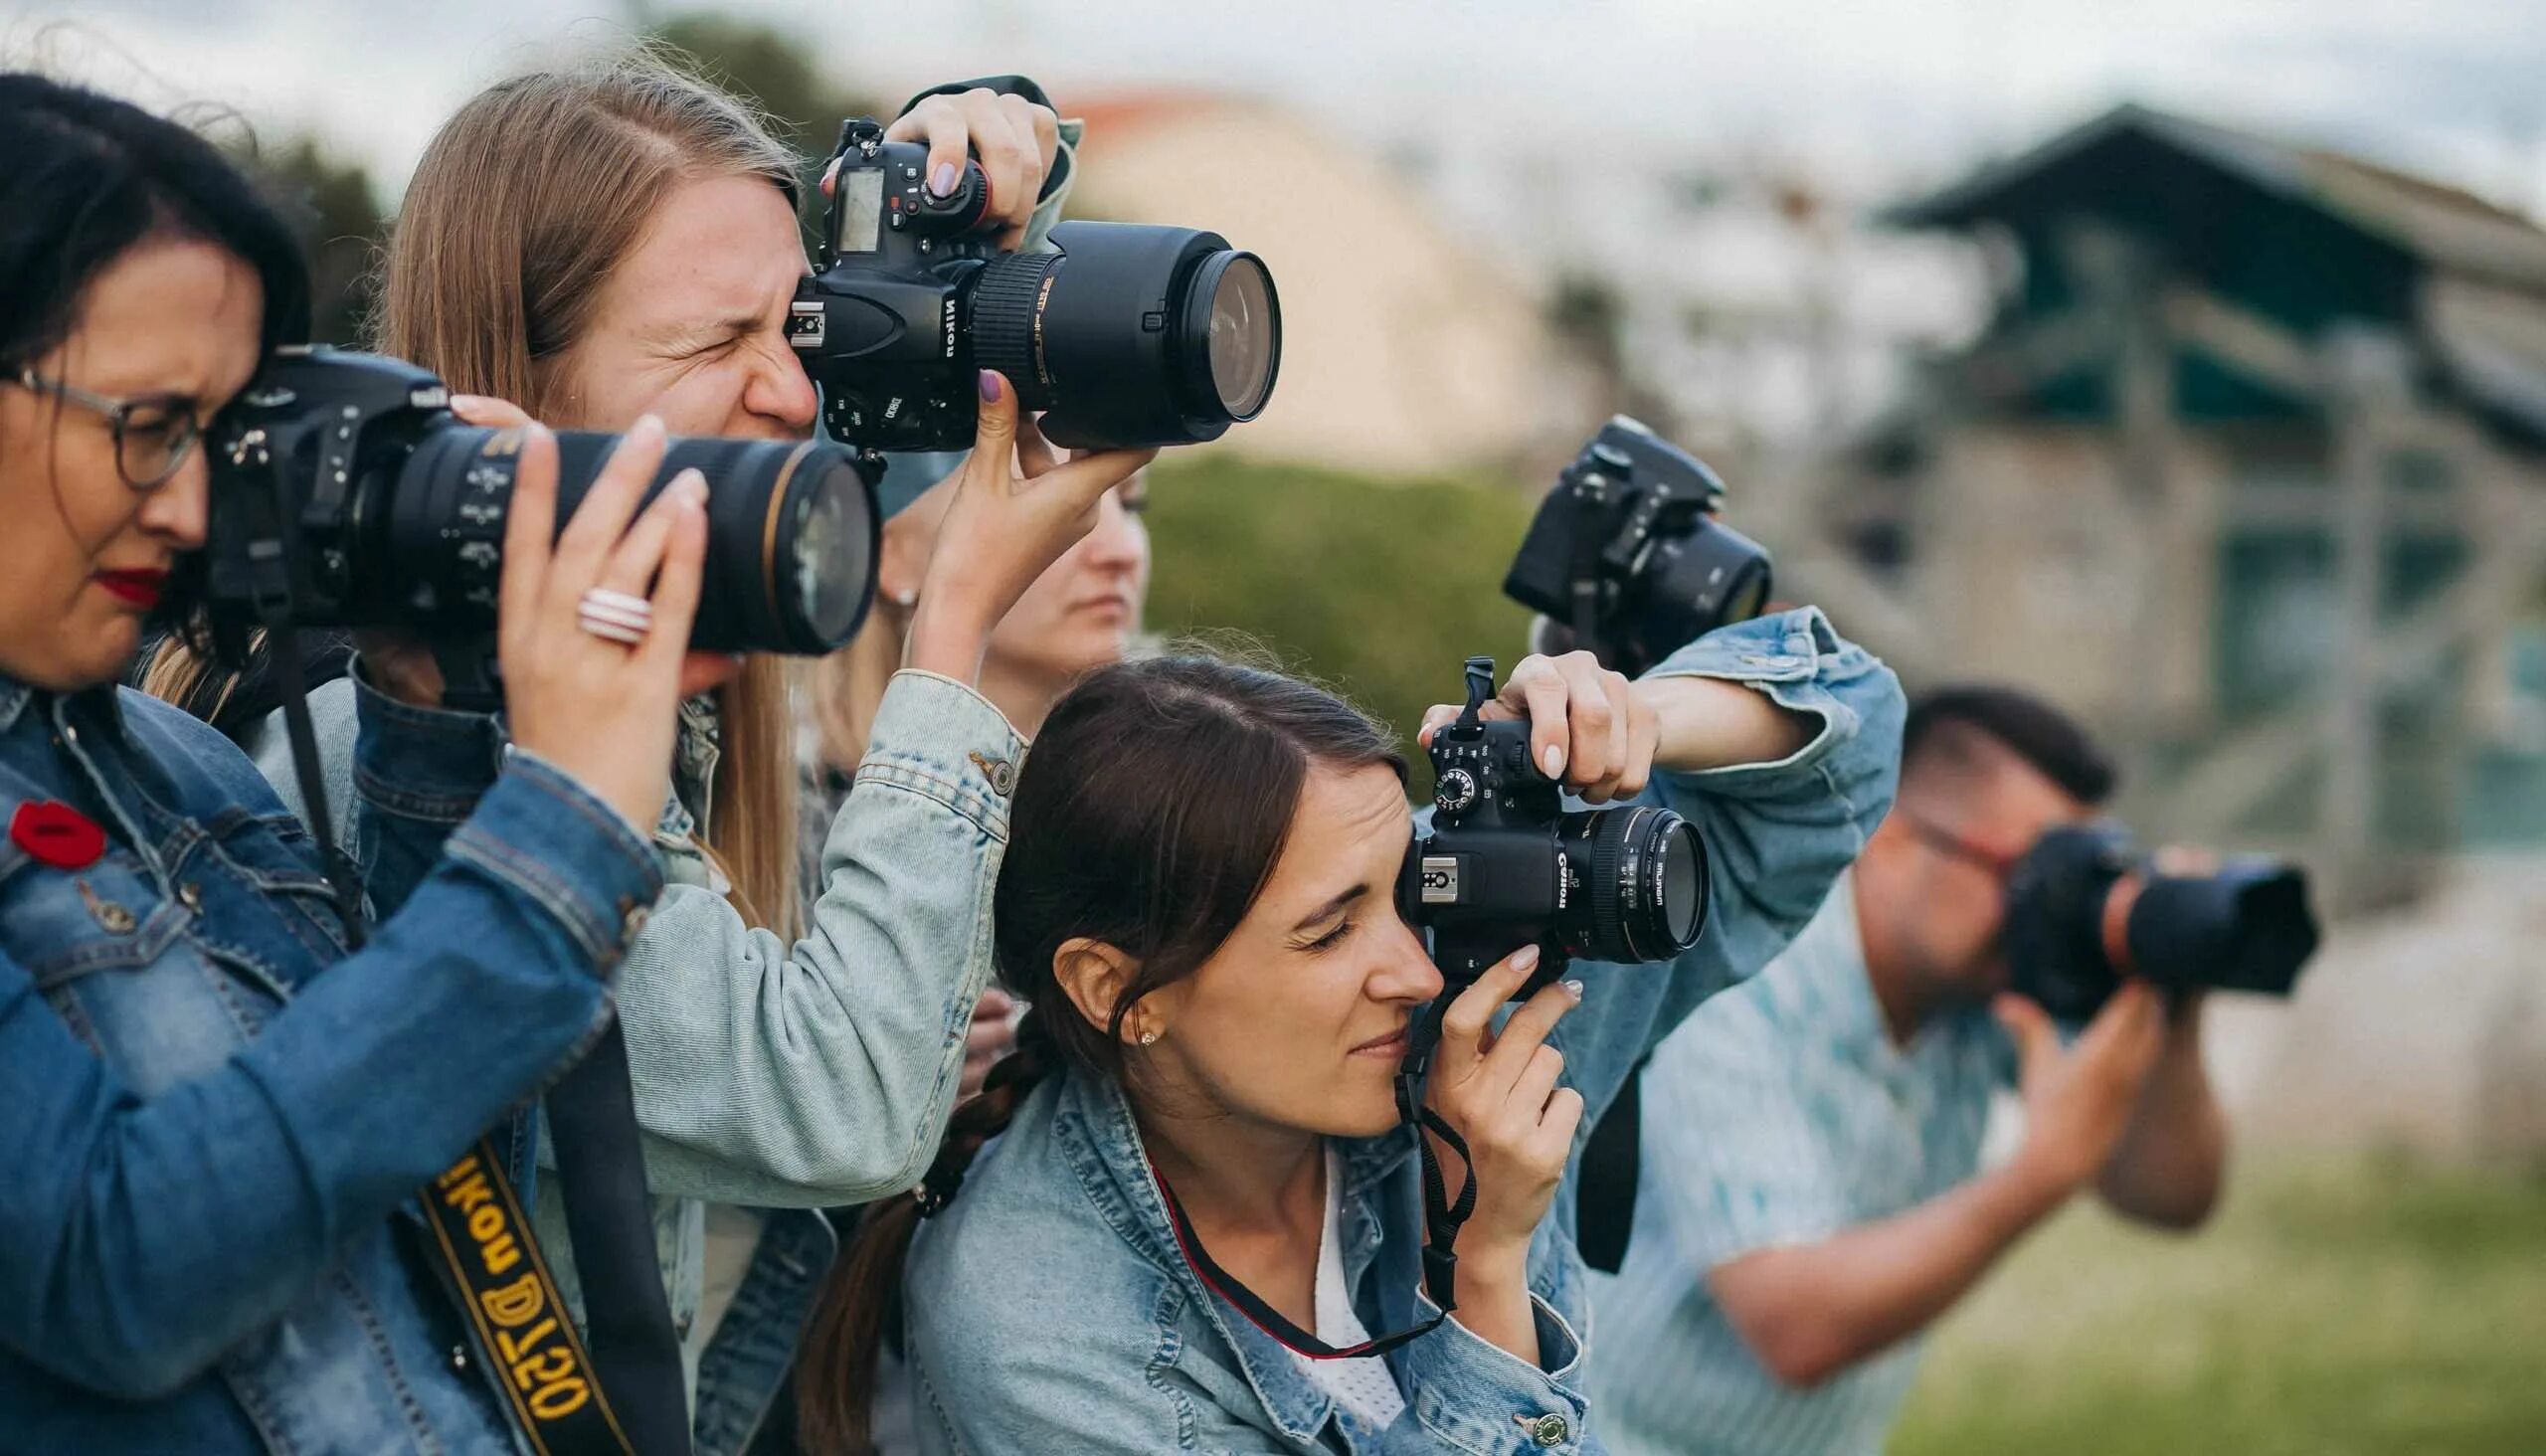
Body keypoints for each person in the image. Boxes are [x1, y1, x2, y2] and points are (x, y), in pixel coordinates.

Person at [140, 53, 1146, 1455]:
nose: (789, 394)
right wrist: (959, 618)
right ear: (524, 384)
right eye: (713, 341)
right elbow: (838, 1110)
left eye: (797, 325)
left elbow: (926, 417)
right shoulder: (403, 744)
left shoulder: (681, 697)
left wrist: (947, 210)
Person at [0, 73, 719, 1451]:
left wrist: (425, 709)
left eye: (220, 436)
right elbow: (121, 1274)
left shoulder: (171, 765)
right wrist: (564, 828)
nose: (200, 504)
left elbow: (407, 1149)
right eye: (150, 428)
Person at [797, 605, 1904, 1454]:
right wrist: (1484, 1265)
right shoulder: (1035, 1323)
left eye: (1408, 887)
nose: (1417, 968)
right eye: (1328, 934)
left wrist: (1639, 716)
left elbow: (1851, 737)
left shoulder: (1467, 991)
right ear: (1117, 992)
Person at [1584, 685, 2227, 1456]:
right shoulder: (1741, 976)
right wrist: (2039, 1175)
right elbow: (1793, 1326)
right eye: (2033, 876)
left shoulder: (1990, 985)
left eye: (2078, 876)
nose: (2047, 915)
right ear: (1887, 836)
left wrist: (2170, 995)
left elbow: (2168, 1196)